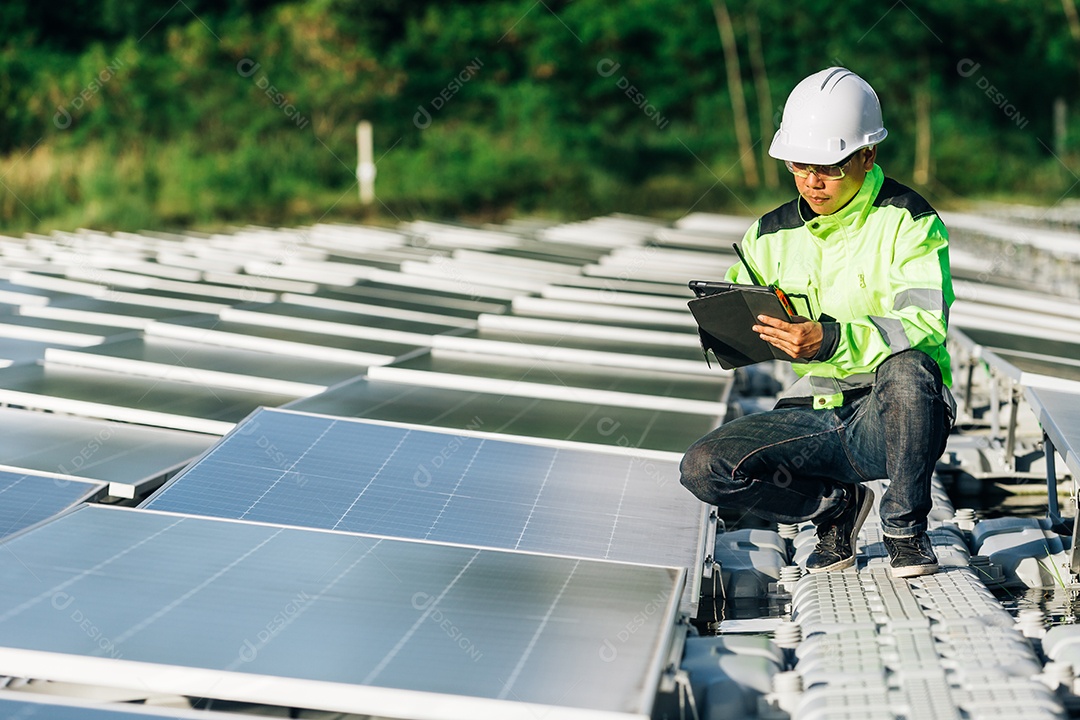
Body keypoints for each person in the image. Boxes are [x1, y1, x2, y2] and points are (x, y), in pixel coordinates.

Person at [679, 67, 954, 578]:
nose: (812, 181)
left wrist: (829, 339)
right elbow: (743, 313)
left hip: (893, 415)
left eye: (827, 167)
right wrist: (728, 332)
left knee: (911, 370)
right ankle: (834, 507)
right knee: (703, 467)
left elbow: (923, 323)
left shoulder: (908, 221)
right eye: (799, 166)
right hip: (817, 414)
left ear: (867, 155)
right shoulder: (768, 234)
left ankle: (904, 529)